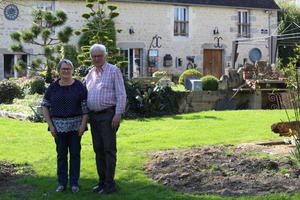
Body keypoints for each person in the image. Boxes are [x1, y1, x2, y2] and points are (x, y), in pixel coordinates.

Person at [41, 59, 89, 193]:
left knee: (75, 155)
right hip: (58, 128)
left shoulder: (79, 86)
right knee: (61, 155)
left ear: (72, 70)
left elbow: (85, 109)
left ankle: (74, 183)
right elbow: (45, 106)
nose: (66, 71)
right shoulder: (53, 87)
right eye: (63, 69)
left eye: (68, 69)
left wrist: (82, 126)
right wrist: (51, 126)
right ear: (59, 71)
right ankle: (61, 183)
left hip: (75, 127)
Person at [84, 44, 126, 195]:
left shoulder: (113, 71)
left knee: (108, 150)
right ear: (91, 58)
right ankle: (101, 182)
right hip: (94, 117)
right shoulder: (90, 74)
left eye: (99, 56)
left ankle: (110, 185)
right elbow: (83, 93)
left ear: (105, 56)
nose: (96, 58)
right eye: (94, 56)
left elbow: (121, 94)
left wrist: (118, 114)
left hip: (108, 115)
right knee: (98, 150)